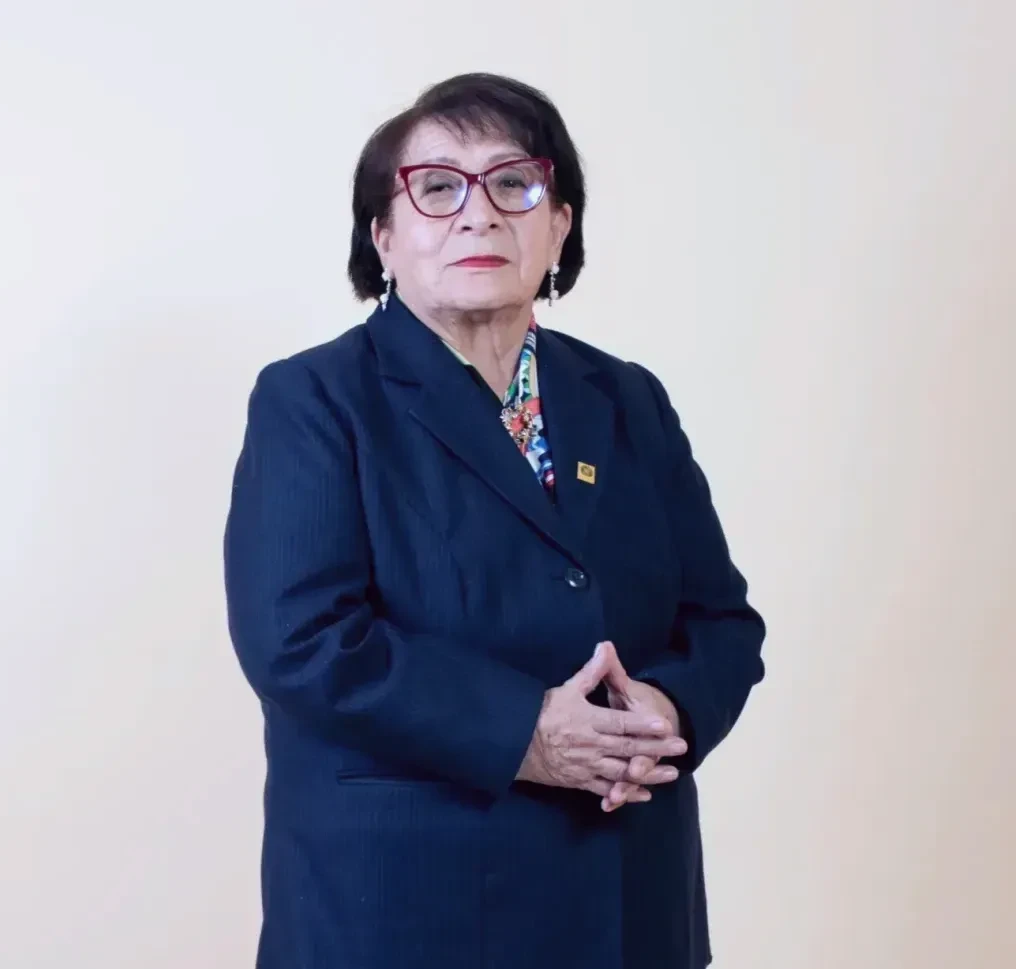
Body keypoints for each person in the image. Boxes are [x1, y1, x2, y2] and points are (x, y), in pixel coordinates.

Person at [223, 71, 766, 969]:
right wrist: (528, 731)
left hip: (628, 902)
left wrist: (668, 708)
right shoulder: (315, 398)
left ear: (559, 227)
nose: (479, 215)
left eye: (515, 184)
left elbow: (720, 621)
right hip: (408, 910)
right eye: (437, 188)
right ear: (384, 237)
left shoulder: (627, 397)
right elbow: (301, 640)